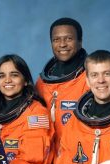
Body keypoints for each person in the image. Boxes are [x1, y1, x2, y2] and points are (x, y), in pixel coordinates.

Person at [36, 17, 88, 151]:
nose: (62, 44)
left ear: (80, 42)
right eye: (56, 39)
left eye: (68, 39)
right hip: (47, 159)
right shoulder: (42, 82)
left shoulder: (91, 79)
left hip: (76, 157)